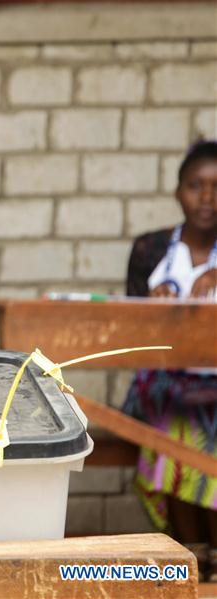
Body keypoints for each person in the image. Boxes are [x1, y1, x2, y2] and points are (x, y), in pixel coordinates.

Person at [123, 139, 217, 581]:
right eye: (196, 186)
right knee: (176, 422)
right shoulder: (151, 249)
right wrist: (152, 305)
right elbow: (127, 333)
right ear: (178, 191)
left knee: (206, 428)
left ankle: (207, 553)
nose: (207, 197)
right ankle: (193, 553)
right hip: (166, 384)